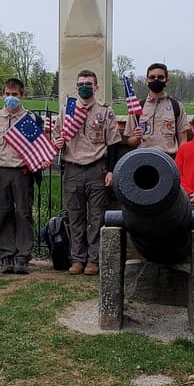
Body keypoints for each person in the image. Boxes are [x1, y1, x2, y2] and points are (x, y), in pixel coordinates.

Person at [53, 69, 122, 276]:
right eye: (81, 83)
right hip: (73, 168)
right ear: (76, 87)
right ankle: (77, 259)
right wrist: (57, 142)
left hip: (96, 168)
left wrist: (111, 171)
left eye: (89, 84)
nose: (85, 87)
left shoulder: (105, 112)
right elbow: (56, 137)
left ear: (96, 87)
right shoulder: (67, 111)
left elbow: (113, 144)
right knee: (75, 216)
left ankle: (93, 260)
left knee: (97, 217)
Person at [0, 78, 42, 275]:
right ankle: (6, 256)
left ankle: (23, 257)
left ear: (22, 96)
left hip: (22, 171)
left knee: (23, 213)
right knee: (4, 213)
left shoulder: (31, 119)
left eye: (15, 95)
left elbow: (39, 146)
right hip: (0, 170)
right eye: (7, 94)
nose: (10, 98)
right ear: (2, 95)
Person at [124, 63, 190, 156]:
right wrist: (137, 138)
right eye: (152, 77)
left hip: (169, 157)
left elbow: (183, 140)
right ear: (147, 80)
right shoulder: (138, 107)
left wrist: (181, 159)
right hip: (143, 157)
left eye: (160, 77)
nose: (156, 80)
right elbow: (130, 141)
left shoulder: (177, 106)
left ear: (166, 80)